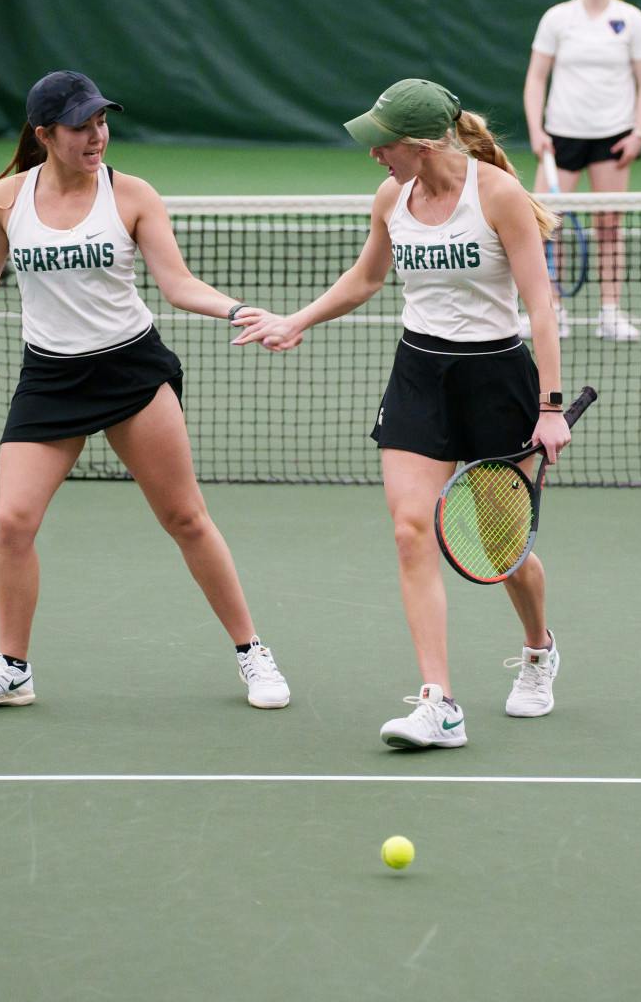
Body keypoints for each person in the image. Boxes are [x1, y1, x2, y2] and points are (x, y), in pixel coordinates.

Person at [0, 69, 291, 713]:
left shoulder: (132, 195)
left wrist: (238, 311)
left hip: (130, 371)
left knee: (184, 517)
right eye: (80, 126)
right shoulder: (4, 200)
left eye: (101, 121)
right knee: (13, 522)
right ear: (45, 135)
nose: (97, 135)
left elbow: (176, 285)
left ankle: (252, 651)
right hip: (50, 378)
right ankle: (12, 668)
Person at [235, 79, 572, 749]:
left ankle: (539, 648)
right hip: (419, 374)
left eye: (383, 144)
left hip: (498, 378)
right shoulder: (392, 196)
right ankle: (439, 701)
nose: (374, 156)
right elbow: (366, 277)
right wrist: (295, 320)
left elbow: (540, 305)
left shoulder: (497, 196)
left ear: (420, 146)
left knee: (504, 551)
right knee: (410, 529)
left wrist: (550, 406)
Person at [522, 0, 641, 343]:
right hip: (560, 137)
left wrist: (639, 132)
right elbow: (536, 78)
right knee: (543, 226)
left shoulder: (631, 19)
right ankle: (552, 312)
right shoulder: (557, 19)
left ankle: (610, 313)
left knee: (610, 225)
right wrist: (536, 130)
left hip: (612, 138)